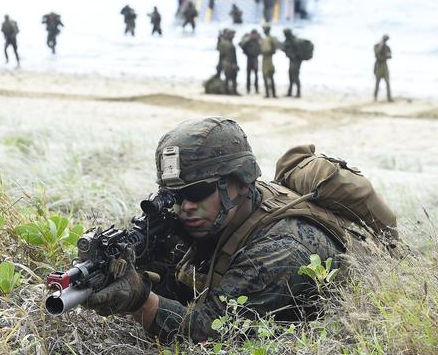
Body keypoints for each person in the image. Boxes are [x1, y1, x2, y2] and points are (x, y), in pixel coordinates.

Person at [83, 117, 392, 343]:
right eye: (173, 196)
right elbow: (189, 285)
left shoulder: (282, 250)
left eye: (197, 192)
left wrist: (139, 299)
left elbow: (207, 335)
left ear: (241, 182)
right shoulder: (222, 211)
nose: (184, 206)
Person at [239, 29, 262, 93]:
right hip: (249, 58)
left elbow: (261, 47)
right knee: (248, 75)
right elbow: (241, 45)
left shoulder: (258, 39)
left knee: (256, 75)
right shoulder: (248, 40)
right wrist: (248, 40)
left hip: (255, 59)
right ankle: (248, 89)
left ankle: (256, 89)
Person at [282, 28, 301, 97]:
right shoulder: (289, 40)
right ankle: (290, 92)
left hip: (295, 61)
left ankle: (298, 93)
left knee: (295, 76)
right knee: (291, 76)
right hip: (292, 60)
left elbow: (297, 51)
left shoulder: (293, 41)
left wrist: (293, 56)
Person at [218, 29, 238, 94]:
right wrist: (234, 64)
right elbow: (232, 56)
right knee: (232, 77)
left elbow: (221, 54)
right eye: (232, 35)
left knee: (228, 77)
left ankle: (227, 90)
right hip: (229, 63)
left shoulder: (223, 43)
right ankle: (232, 91)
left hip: (226, 62)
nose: (233, 36)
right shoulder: (228, 44)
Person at [260, 24, 278, 98]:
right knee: (269, 77)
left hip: (267, 60)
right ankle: (271, 93)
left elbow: (267, 50)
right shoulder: (270, 38)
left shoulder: (267, 39)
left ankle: (269, 94)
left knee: (267, 76)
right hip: (268, 59)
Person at [374, 35, 393, 102]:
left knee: (387, 82)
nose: (385, 41)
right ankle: (375, 97)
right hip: (378, 65)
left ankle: (389, 97)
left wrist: (386, 54)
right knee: (377, 83)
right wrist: (381, 47)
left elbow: (390, 56)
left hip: (384, 66)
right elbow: (376, 54)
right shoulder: (376, 46)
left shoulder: (387, 47)